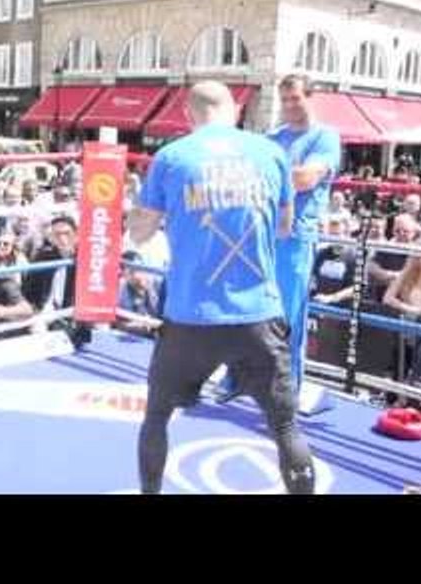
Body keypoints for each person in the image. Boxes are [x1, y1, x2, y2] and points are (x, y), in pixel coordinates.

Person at [130, 80, 314, 495]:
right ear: (236, 110)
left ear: (187, 115)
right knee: (285, 426)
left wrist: (157, 215)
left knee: (157, 415)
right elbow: (284, 227)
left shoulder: (172, 157)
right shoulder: (271, 154)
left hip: (190, 317)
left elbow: (141, 234)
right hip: (259, 315)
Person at [219, 73, 341, 400]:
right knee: (245, 306)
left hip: (296, 237)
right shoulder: (273, 137)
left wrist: (264, 176)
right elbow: (244, 175)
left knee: (287, 316)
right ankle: (237, 378)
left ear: (310, 98)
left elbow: (305, 179)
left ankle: (284, 391)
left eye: (295, 98)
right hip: (260, 232)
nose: (288, 105)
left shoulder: (325, 138)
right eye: (284, 99)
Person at [311, 214, 357, 308]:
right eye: (331, 235)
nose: (334, 239)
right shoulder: (322, 253)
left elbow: (357, 288)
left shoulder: (355, 256)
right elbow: (313, 277)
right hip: (319, 304)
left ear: (347, 234)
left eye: (337, 235)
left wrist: (332, 298)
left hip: (342, 309)